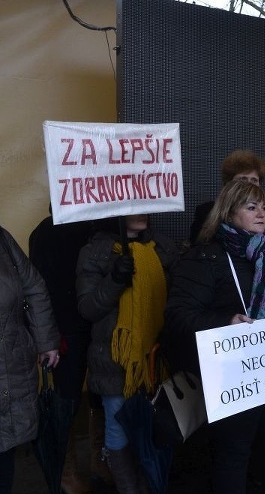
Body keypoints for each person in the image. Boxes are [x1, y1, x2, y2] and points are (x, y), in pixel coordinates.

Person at [165, 180, 265, 494]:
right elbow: (178, 315)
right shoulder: (206, 257)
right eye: (252, 207)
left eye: (263, 207)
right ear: (229, 212)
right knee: (234, 454)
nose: (262, 213)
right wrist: (226, 322)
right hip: (236, 376)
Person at [76, 215, 178, 493]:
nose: (141, 212)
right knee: (118, 428)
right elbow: (88, 308)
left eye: (145, 206)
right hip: (114, 359)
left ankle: (150, 485)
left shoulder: (163, 248)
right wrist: (115, 279)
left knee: (152, 428)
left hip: (155, 359)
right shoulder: (95, 252)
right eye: (133, 207)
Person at [28, 212, 97, 493]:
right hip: (67, 327)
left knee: (102, 394)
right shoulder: (45, 232)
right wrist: (50, 336)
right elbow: (38, 290)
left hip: (100, 322)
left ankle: (98, 458)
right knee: (66, 399)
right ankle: (66, 469)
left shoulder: (101, 224)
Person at [0, 225, 60, 494]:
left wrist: (46, 340)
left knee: (5, 455)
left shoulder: (1, 238)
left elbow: (33, 285)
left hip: (11, 368)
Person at [189, 149, 265, 245]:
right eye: (243, 180)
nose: (248, 184)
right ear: (228, 183)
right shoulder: (206, 212)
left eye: (254, 180)